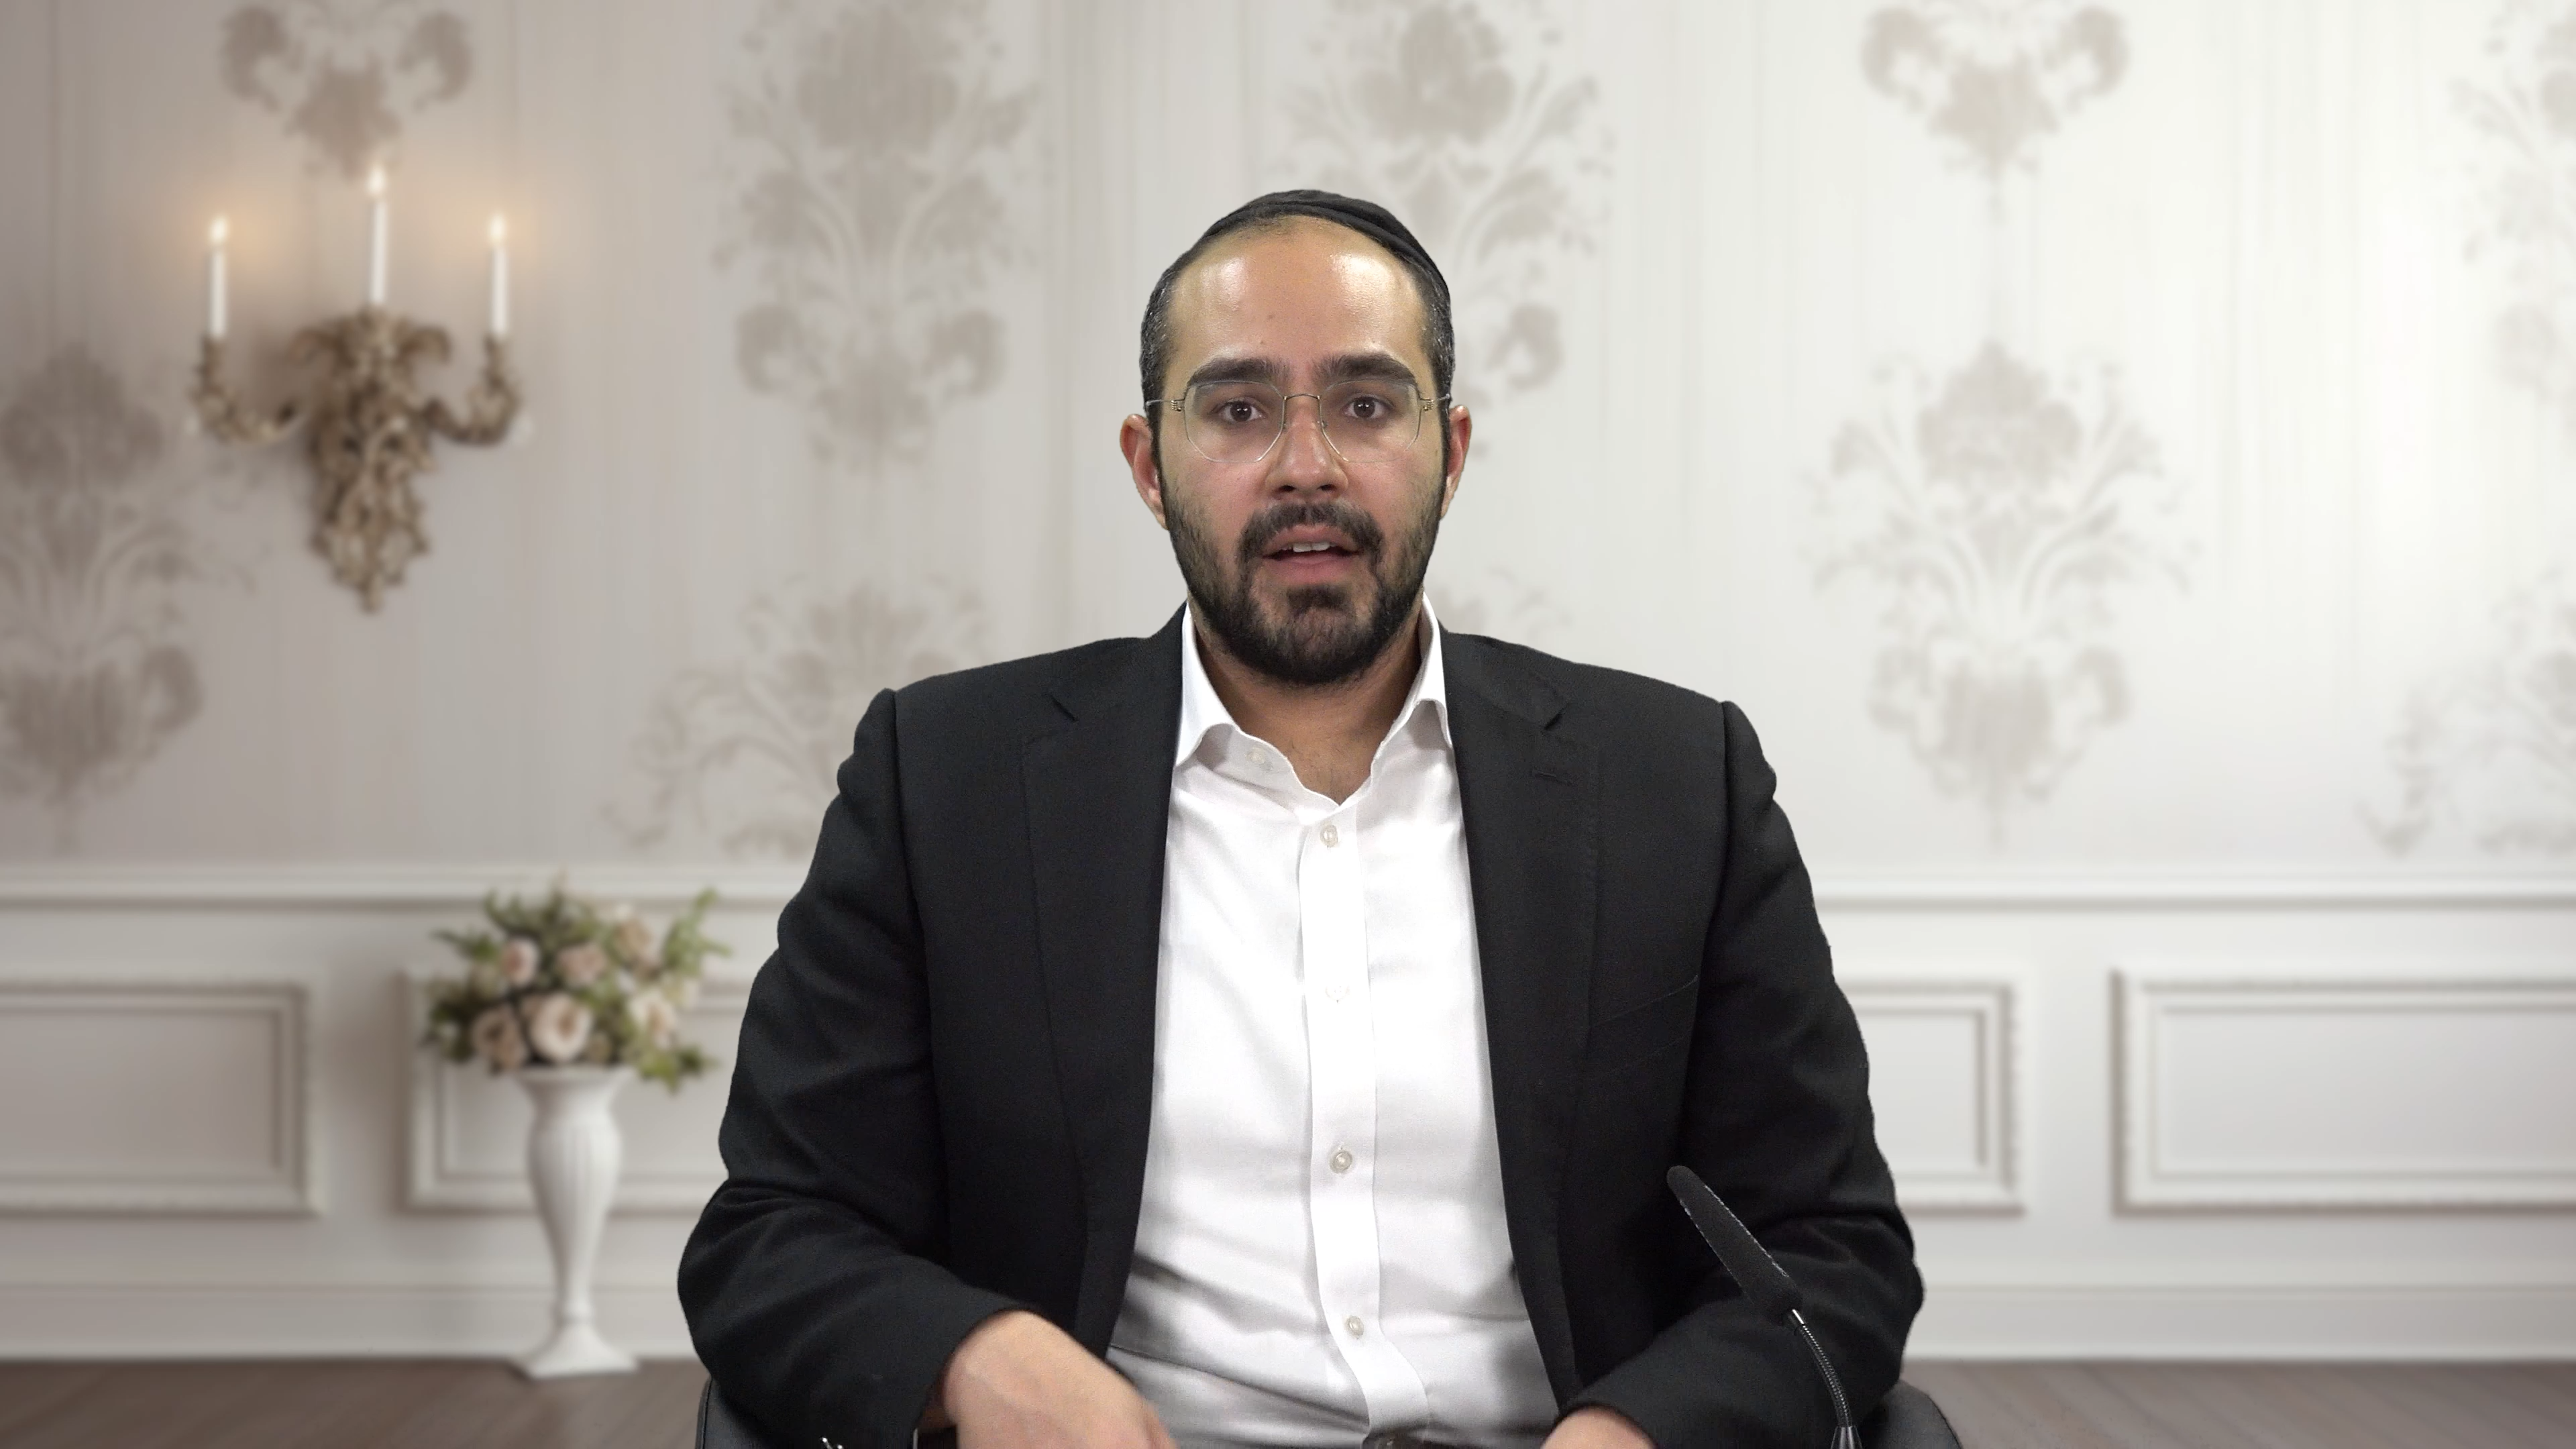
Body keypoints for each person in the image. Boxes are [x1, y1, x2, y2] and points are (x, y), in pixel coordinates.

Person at [680, 191, 1921, 1449]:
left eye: (1368, 405)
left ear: (1453, 450)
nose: (1306, 465)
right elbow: (773, 1233)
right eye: (1238, 409)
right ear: (1149, 466)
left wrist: (1639, 1435)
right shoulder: (945, 782)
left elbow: (1827, 1249)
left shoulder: (1676, 783)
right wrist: (978, 1362)